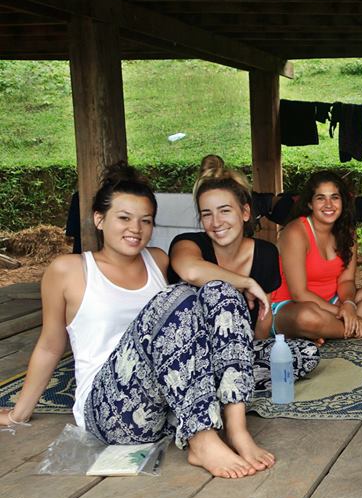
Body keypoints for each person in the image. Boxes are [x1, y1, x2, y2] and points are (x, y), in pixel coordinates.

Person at [0, 168, 274, 478]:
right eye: (124, 218)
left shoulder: (157, 260)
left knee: (220, 290)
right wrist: (18, 414)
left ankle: (237, 430)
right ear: (99, 219)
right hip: (111, 411)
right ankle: (203, 440)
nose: (136, 228)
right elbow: (51, 346)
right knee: (181, 296)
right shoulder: (68, 269)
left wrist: (242, 285)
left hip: (164, 407)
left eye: (146, 220)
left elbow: (196, 285)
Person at [168, 162, 320, 389]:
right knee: (220, 292)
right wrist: (246, 283)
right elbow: (190, 270)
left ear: (245, 212)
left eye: (225, 211)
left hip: (241, 351)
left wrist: (261, 350)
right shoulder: (188, 244)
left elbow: (262, 317)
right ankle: (220, 387)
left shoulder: (265, 253)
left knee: (306, 353)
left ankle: (227, 384)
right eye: (207, 214)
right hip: (190, 357)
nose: (216, 222)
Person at [272, 170, 362, 341]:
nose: (328, 204)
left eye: (334, 197)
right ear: (310, 204)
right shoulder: (296, 232)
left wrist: (348, 305)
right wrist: (345, 313)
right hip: (291, 305)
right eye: (321, 198)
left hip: (333, 301)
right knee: (307, 318)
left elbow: (346, 281)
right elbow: (299, 294)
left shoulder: (347, 232)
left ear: (343, 202)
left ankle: (329, 329)